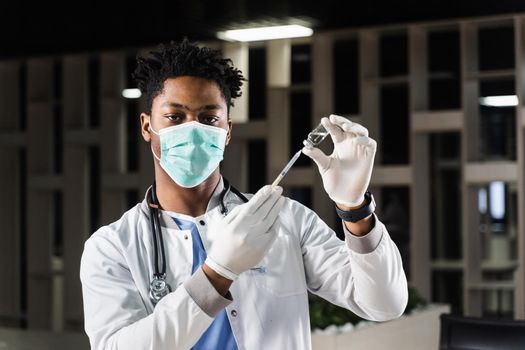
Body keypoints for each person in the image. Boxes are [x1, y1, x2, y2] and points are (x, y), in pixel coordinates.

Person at [80, 38, 408, 350]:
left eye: (209, 118)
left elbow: (384, 305)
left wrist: (354, 209)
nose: (192, 130)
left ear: (227, 131)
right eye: (175, 117)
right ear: (146, 126)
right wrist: (218, 272)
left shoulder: (285, 220)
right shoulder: (112, 247)